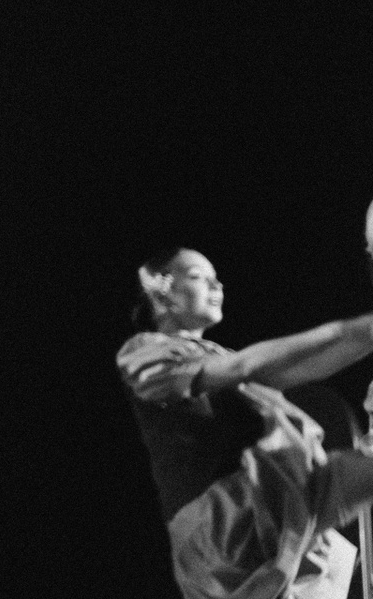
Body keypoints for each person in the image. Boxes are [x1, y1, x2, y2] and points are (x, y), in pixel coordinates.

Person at [119, 246, 373, 598]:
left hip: (284, 493)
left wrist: (359, 336)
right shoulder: (145, 350)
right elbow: (247, 367)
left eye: (216, 278)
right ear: (162, 295)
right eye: (197, 277)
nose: (217, 285)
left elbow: (292, 367)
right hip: (225, 520)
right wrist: (358, 331)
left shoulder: (222, 359)